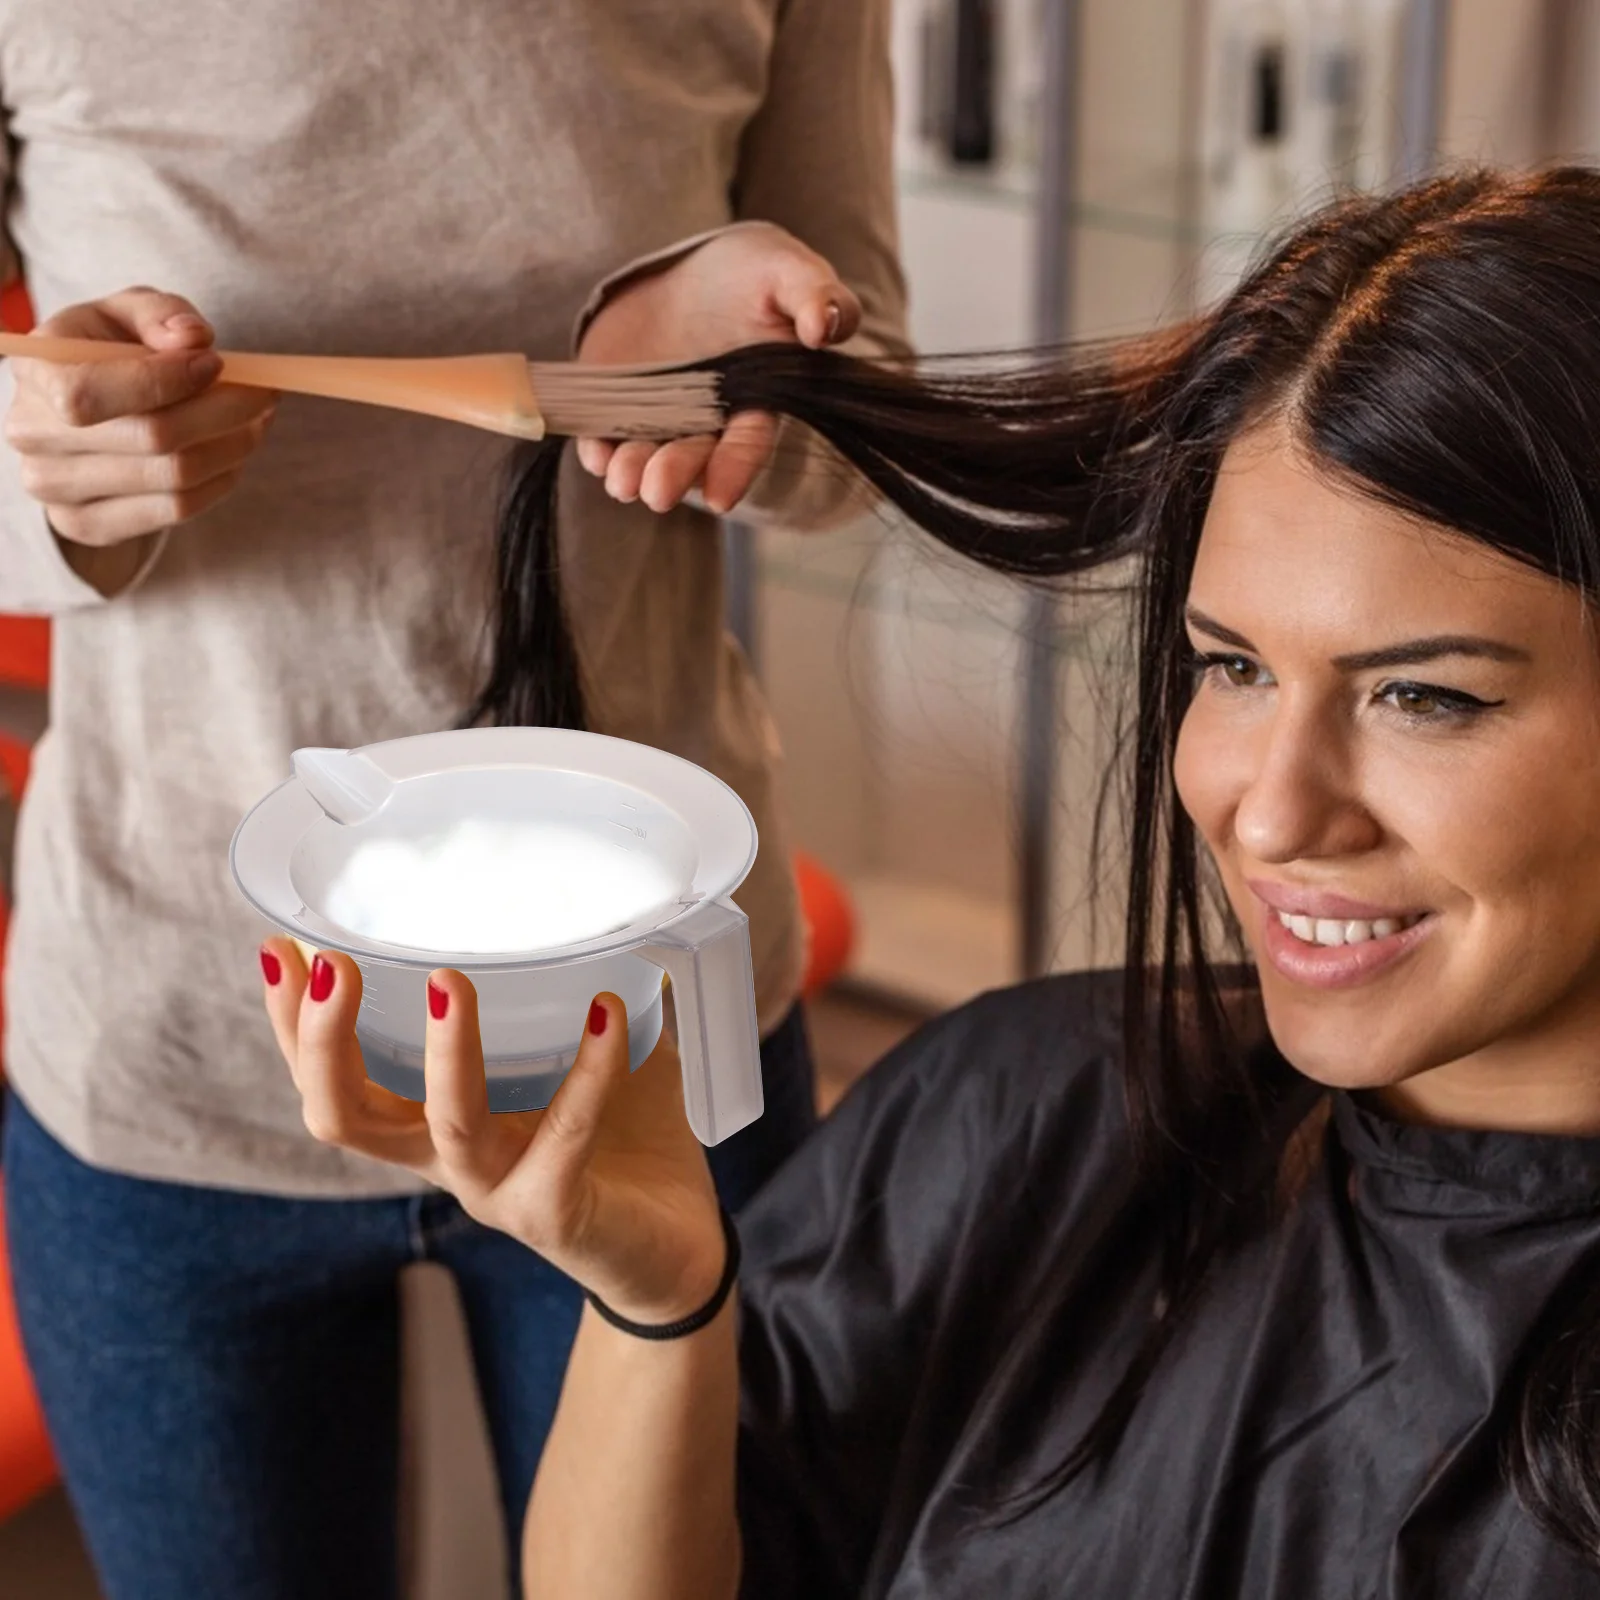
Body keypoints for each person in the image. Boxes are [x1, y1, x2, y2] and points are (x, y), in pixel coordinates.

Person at [270, 165, 1600, 1598]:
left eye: (1426, 699)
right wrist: (661, 1307)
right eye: (1233, 669)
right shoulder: (1026, 1112)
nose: (1271, 813)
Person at [0, 4, 907, 1597]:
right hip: (177, 1044)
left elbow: (862, 422)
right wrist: (43, 491)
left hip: (642, 1041)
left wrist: (772, 376)